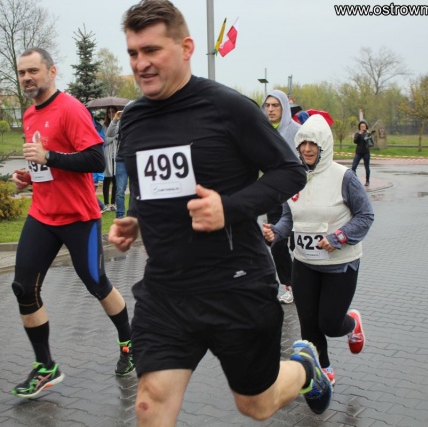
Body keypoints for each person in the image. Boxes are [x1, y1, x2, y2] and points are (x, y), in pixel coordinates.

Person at [109, 1, 332, 424]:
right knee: (149, 403)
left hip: (235, 284)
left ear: (186, 48)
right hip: (167, 290)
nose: (141, 63)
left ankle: (306, 368)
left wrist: (228, 208)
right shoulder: (134, 118)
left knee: (256, 405)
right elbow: (149, 186)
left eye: (152, 50)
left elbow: (290, 172)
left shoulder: (228, 108)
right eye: (133, 53)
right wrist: (135, 218)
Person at [10, 47, 134, 399]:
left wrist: (48, 156)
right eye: (22, 73)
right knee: (23, 288)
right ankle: (45, 366)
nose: (27, 78)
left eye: (33, 71)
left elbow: (95, 160)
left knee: (97, 284)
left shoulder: (71, 109)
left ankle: (129, 342)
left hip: (79, 217)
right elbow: (45, 166)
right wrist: (28, 177)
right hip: (42, 214)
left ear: (52, 72)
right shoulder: (29, 114)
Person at [263, 114, 374, 387]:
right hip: (304, 262)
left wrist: (339, 237)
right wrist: (276, 232)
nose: (307, 149)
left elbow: (365, 215)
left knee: (329, 324)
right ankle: (323, 368)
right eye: (303, 144)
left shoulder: (343, 177)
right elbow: (289, 217)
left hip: (340, 264)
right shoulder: (294, 178)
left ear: (324, 145)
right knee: (308, 324)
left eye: (313, 144)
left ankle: (351, 324)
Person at [262, 90, 300, 304]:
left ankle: (304, 283)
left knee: (297, 245)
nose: (270, 109)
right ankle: (289, 285)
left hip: (296, 197)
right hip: (274, 196)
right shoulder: (263, 130)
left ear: (284, 107)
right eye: (267, 105)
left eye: (275, 105)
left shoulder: (296, 131)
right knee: (276, 242)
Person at [111, 107, 130, 219]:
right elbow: (109, 134)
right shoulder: (120, 124)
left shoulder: (137, 123)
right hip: (121, 159)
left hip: (134, 158)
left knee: (135, 190)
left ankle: (132, 214)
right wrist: (115, 120)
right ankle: (120, 216)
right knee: (120, 190)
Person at [102, 107, 118, 212]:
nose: (111, 114)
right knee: (107, 179)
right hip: (107, 154)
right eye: (109, 112)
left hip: (116, 154)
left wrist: (114, 135)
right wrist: (115, 136)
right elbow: (105, 140)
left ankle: (113, 203)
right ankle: (106, 203)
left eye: (113, 112)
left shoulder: (119, 124)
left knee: (115, 180)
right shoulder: (104, 126)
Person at [352, 120, 373, 187]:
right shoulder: (357, 134)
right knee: (353, 166)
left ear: (366, 127)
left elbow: (371, 144)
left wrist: (368, 136)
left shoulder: (368, 134)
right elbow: (355, 141)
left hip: (366, 152)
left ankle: (367, 181)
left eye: (364, 126)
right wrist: (359, 134)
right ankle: (355, 180)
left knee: (367, 167)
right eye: (361, 126)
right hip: (358, 152)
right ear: (359, 127)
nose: (363, 128)